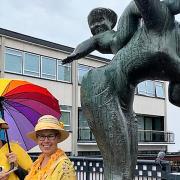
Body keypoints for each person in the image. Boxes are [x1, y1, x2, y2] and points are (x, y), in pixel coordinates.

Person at [62, 0, 180, 65]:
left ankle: (168, 7)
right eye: (92, 24)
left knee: (138, 8)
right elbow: (85, 45)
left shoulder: (112, 32)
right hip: (119, 41)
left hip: (124, 37)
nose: (96, 25)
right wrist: (75, 54)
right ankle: (170, 6)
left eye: (100, 20)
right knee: (131, 6)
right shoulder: (97, 38)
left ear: (110, 23)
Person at [25, 115, 76, 180]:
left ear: (58, 137)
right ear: (37, 139)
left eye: (51, 136)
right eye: (42, 136)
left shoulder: (64, 166)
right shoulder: (37, 163)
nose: (46, 141)